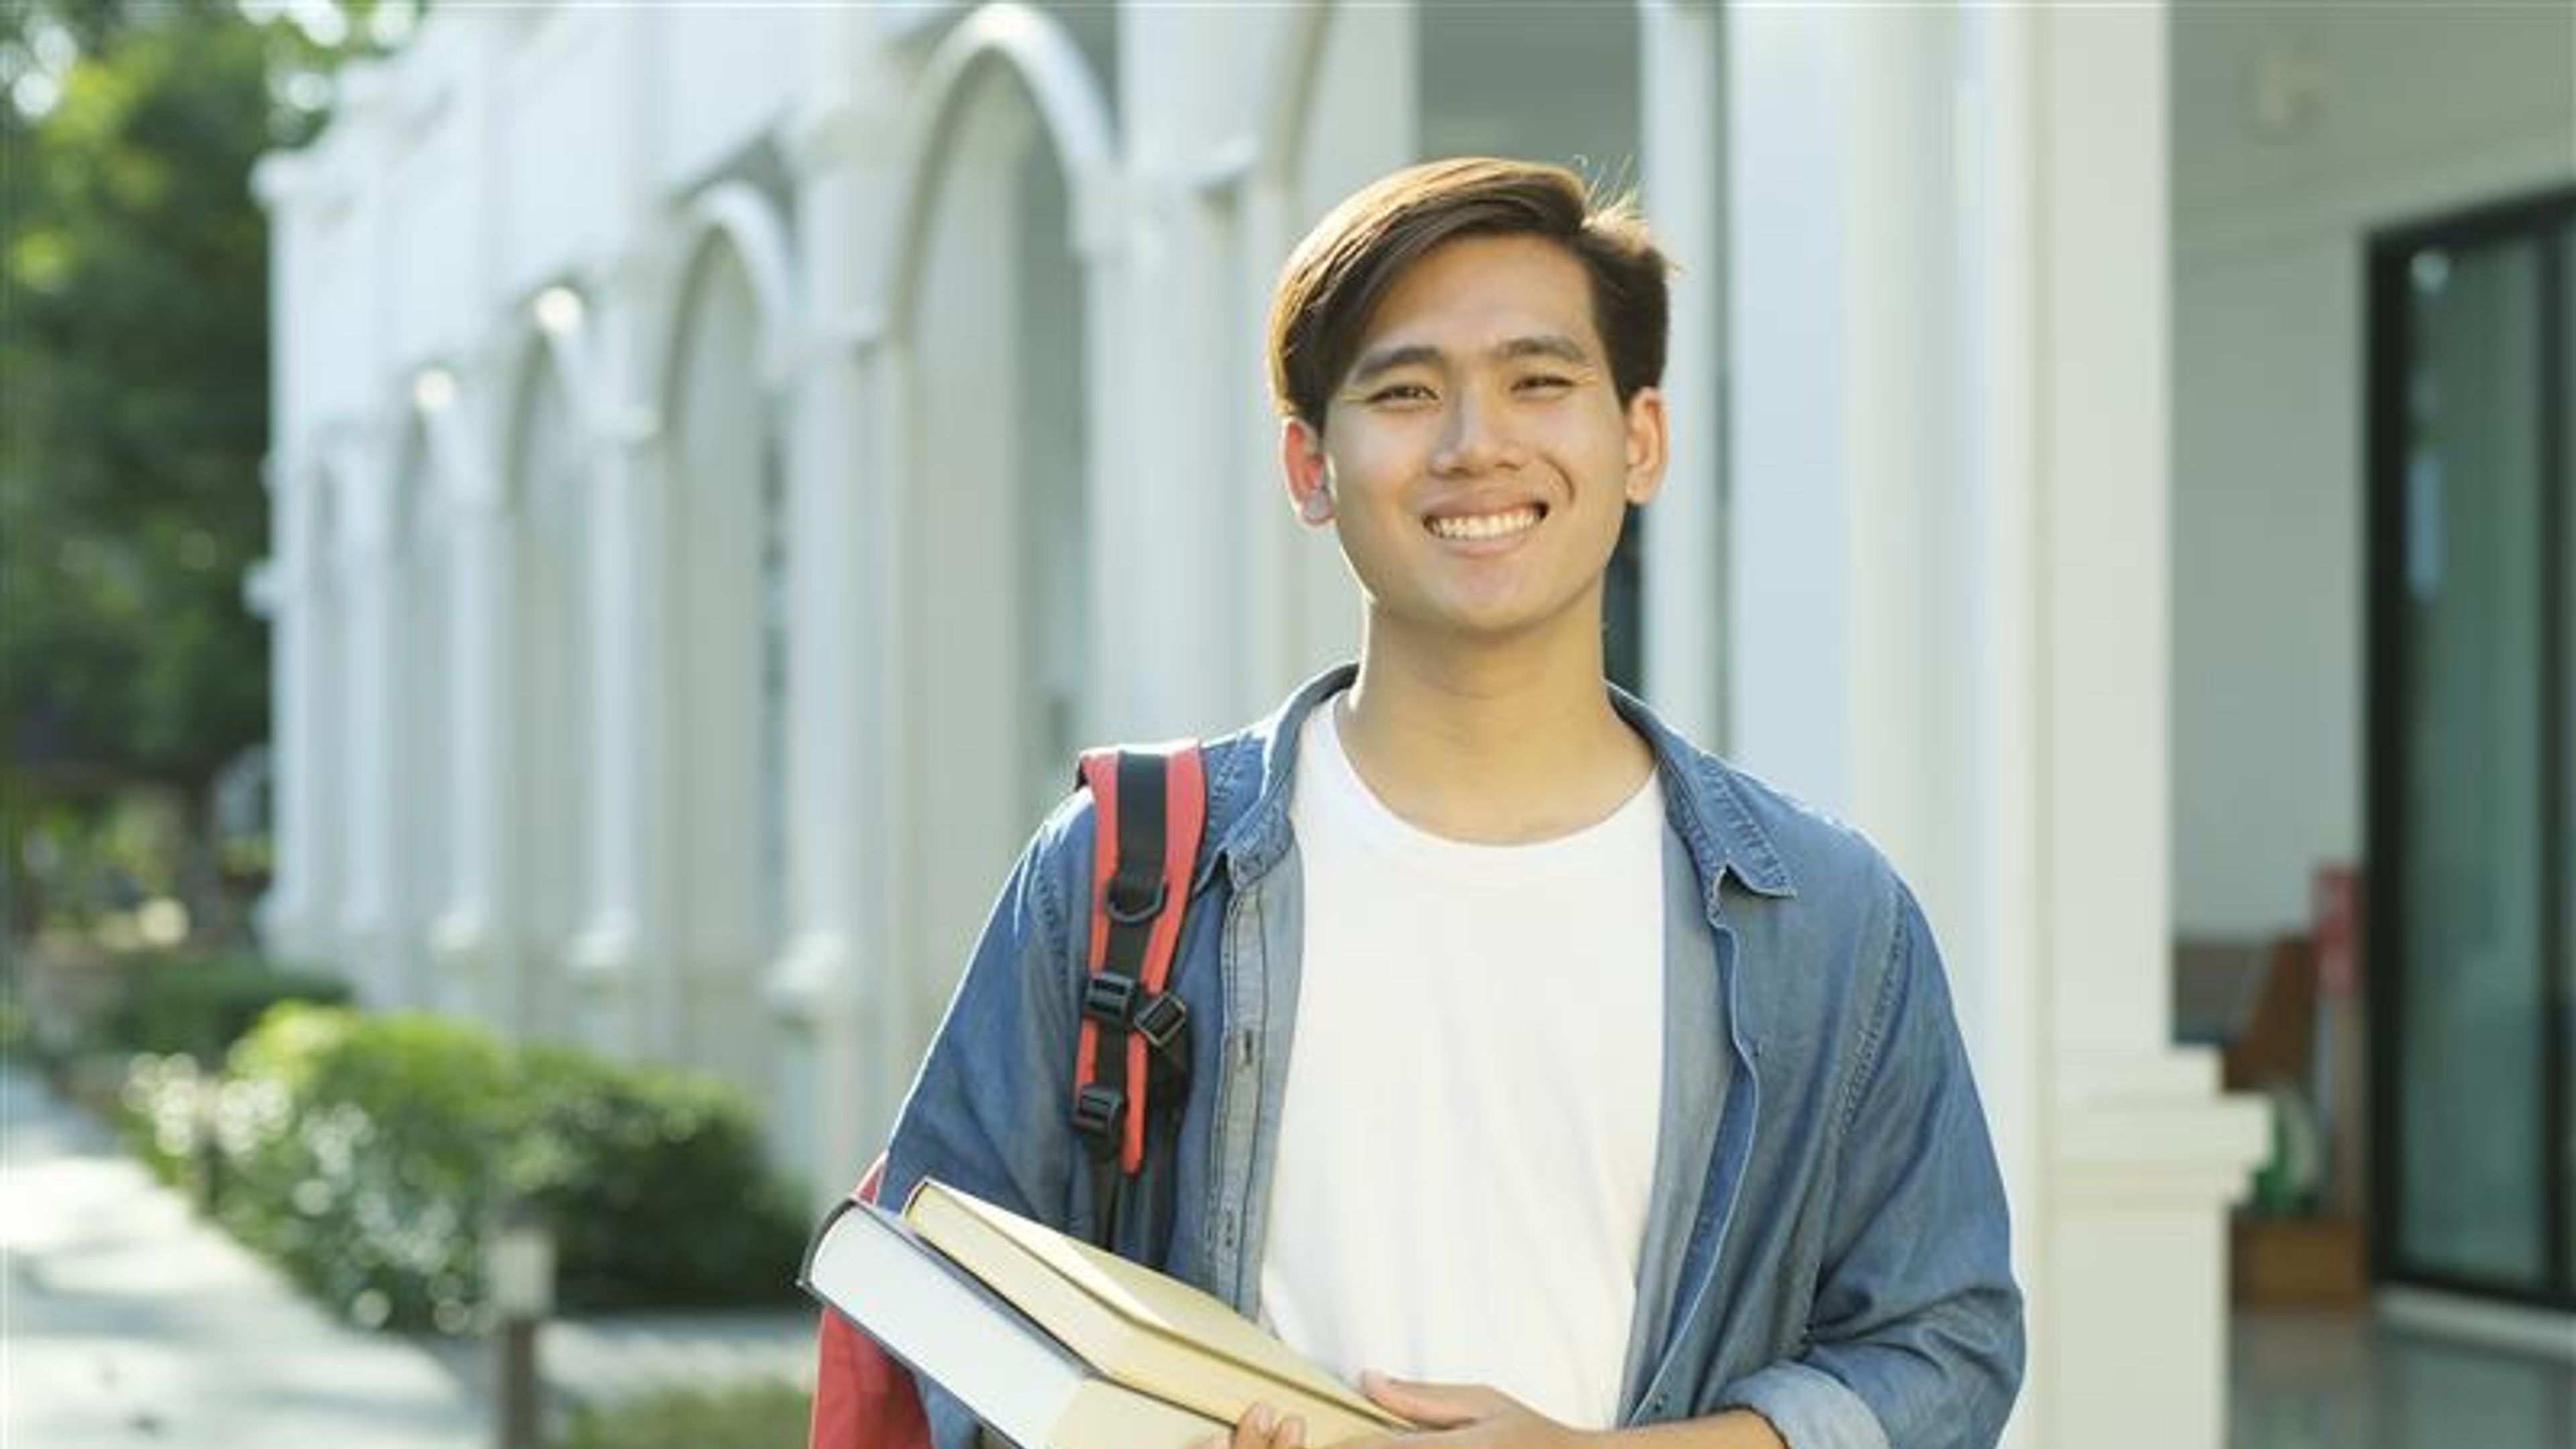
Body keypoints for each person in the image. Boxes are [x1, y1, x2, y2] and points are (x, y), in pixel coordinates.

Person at [866, 156, 2023, 1449]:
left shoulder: (1826, 919)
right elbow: (937, 1288)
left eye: (1540, 381)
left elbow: (1945, 1347)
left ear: (1638, 439)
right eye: (1408, 392)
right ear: (1310, 466)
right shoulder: (1132, 866)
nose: (1478, 446)